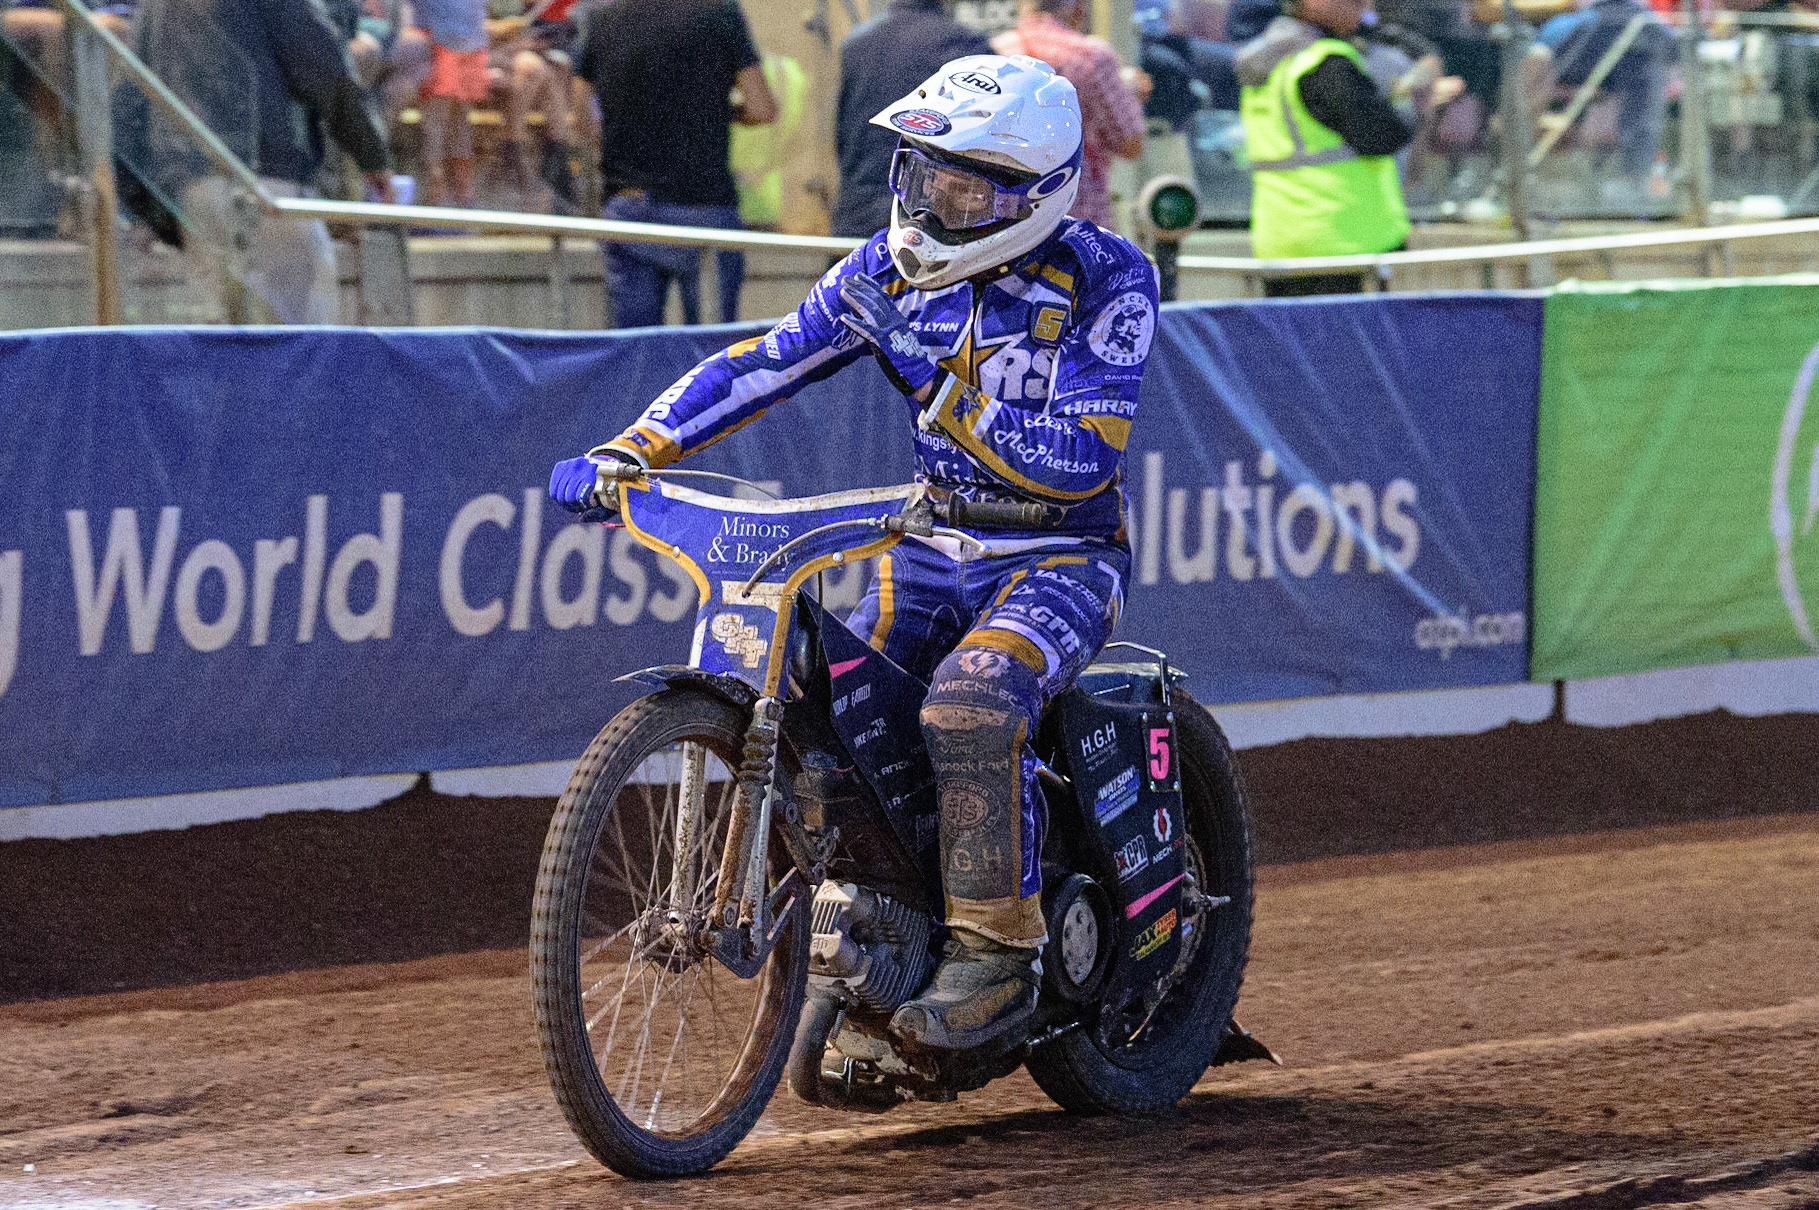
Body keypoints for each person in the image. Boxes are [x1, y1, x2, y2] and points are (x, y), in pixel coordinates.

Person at [549, 55, 1159, 1052]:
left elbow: (1082, 461)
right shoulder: (881, 267)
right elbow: (763, 363)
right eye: (923, 176)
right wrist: (632, 448)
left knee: (969, 700)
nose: (935, 203)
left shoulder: (1107, 277)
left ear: (1033, 195)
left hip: (1060, 554)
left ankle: (996, 957)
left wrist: (943, 392)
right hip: (926, 540)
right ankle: (883, 935)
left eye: (966, 187)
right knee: (846, 709)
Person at [134, 0, 393, 322]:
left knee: (231, 348)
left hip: (191, 191)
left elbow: (130, 92)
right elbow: (321, 66)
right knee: (305, 348)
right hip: (266, 184)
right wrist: (371, 154)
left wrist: (145, 206)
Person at [577, 0, 777, 327]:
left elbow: (581, 116)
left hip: (629, 208)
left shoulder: (603, 17)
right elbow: (761, 107)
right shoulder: (720, 13)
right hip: (704, 209)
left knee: (634, 355)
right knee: (710, 358)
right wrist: (719, 114)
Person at [1235, 0, 1413, 293]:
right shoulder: (1326, 63)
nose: (1362, 4)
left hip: (1281, 246)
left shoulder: (1264, 61)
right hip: (1346, 245)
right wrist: (1406, 100)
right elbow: (1383, 135)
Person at [831, 0, 992, 239]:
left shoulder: (856, 44)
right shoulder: (965, 46)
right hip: (925, 218)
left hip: (856, 212)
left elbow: (842, 136)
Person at [992, 0, 1147, 228]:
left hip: (1007, 216)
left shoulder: (996, 51)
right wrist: (1130, 93)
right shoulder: (1093, 56)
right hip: (1078, 219)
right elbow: (1130, 144)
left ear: (1022, 5)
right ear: (1079, 8)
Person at [416, 0, 487, 205]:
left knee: (462, 123)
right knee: (435, 122)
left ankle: (464, 201)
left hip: (473, 43)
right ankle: (433, 200)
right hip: (439, 39)